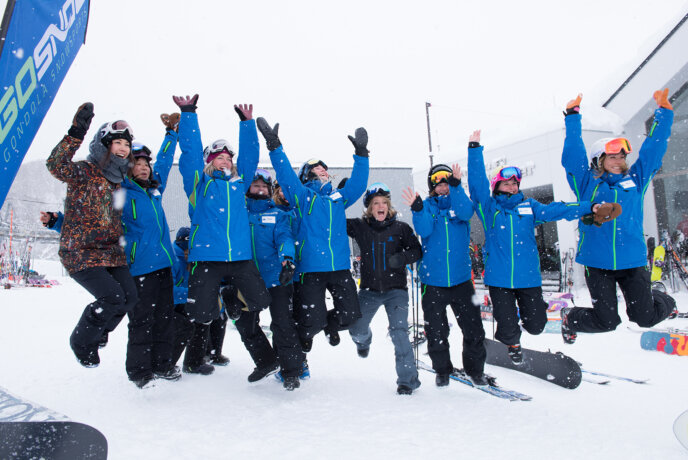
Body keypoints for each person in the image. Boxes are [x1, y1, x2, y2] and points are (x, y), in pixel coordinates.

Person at [466, 130, 618, 363]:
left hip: (529, 278)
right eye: (506, 183)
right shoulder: (490, 210)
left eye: (515, 183)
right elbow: (477, 186)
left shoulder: (530, 207)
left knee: (537, 326)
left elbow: (559, 209)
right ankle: (513, 344)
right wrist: (475, 150)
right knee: (506, 329)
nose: (512, 187)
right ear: (497, 186)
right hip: (500, 280)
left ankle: (543, 317)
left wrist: (590, 207)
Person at [559, 90, 677, 343]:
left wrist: (664, 114)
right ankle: (570, 318)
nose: (619, 160)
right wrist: (572, 117)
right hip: (597, 263)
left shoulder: (636, 180)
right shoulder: (587, 184)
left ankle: (664, 299)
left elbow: (653, 151)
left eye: (622, 156)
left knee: (644, 317)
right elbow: (572, 156)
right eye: (613, 156)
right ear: (598, 160)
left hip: (632, 261)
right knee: (607, 321)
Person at [173, 94, 271, 373]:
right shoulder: (199, 186)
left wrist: (247, 125)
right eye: (219, 158)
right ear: (210, 162)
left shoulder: (239, 185)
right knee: (201, 314)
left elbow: (250, 156)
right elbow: (190, 153)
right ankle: (185, 360)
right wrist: (189, 113)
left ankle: (230, 297)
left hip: (239, 256)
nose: (225, 161)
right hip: (207, 257)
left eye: (228, 158)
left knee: (259, 300)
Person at [256, 117, 369, 354]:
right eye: (317, 168)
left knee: (350, 316)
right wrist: (275, 146)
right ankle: (304, 335)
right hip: (310, 270)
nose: (324, 170)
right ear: (307, 175)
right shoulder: (302, 197)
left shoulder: (337, 199)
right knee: (311, 321)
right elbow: (285, 176)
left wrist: (361, 154)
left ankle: (330, 327)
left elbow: (358, 185)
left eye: (325, 168)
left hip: (338, 267)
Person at [46, 103, 138, 368]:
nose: (123, 148)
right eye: (117, 142)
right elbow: (56, 165)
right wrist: (76, 132)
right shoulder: (85, 171)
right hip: (81, 252)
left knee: (130, 297)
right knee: (112, 298)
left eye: (126, 144)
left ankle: (99, 332)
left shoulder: (119, 180)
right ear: (104, 144)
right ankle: (82, 341)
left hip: (110, 252)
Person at [401, 164, 487, 386]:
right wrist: (418, 209)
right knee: (436, 330)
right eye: (438, 184)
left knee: (473, 328)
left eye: (446, 183)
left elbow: (467, 212)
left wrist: (457, 187)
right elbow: (424, 230)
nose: (442, 187)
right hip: (433, 282)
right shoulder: (427, 206)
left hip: (461, 280)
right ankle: (442, 370)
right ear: (432, 186)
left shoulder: (459, 202)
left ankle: (475, 370)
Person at [347, 182, 423, 395]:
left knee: (399, 333)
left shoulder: (401, 229)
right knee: (356, 329)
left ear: (389, 207)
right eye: (375, 204)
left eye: (384, 203)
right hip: (369, 291)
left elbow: (417, 251)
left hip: (396, 291)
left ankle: (408, 381)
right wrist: (340, 195)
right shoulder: (360, 227)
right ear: (369, 208)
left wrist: (402, 258)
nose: (380, 206)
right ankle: (364, 342)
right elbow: (333, 219)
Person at [119, 126, 179, 388]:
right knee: (142, 321)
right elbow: (92, 221)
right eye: (137, 163)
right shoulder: (120, 194)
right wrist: (57, 222)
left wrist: (171, 135)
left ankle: (163, 364)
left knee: (165, 319)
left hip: (164, 265)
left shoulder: (155, 191)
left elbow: (164, 164)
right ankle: (139, 371)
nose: (143, 167)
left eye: (145, 163)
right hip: (139, 268)